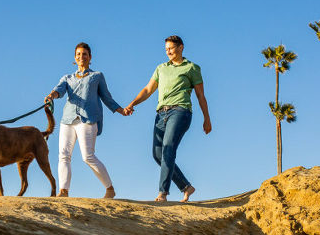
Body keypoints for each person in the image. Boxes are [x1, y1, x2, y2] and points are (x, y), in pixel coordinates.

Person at [125, 35, 211, 202]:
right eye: (166, 49)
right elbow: (148, 89)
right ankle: (186, 187)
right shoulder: (161, 68)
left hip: (180, 111)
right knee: (157, 154)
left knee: (168, 148)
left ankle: (162, 193)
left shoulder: (192, 68)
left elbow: (201, 95)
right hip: (161, 114)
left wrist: (207, 118)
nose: (168, 52)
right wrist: (133, 103)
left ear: (181, 47)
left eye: (171, 48)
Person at [44, 42, 128, 199]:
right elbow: (59, 90)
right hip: (68, 119)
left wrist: (121, 110)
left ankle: (109, 188)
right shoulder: (67, 78)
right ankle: (63, 191)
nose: (81, 57)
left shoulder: (96, 76)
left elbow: (106, 97)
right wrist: (52, 96)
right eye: (78, 54)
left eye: (84, 54)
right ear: (74, 58)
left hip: (88, 119)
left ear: (90, 57)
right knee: (63, 155)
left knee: (87, 156)